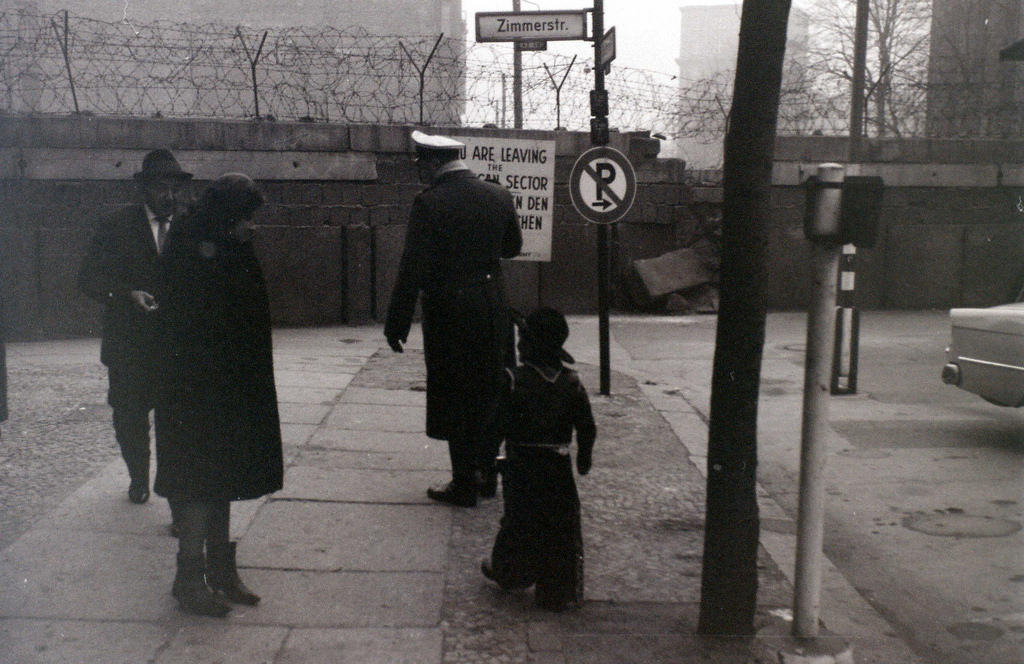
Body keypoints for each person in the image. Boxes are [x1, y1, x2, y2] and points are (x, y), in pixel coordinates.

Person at [153, 173, 283, 617]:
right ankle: (188, 578)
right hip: (195, 389)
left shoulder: (228, 242)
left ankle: (221, 572)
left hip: (228, 386)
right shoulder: (191, 247)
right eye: (246, 218)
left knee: (221, 477)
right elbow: (190, 322)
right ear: (228, 214)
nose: (251, 226)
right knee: (197, 484)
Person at [385, 130, 523, 508]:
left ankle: (463, 482)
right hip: (494, 304)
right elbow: (512, 247)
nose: (417, 171)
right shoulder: (498, 195)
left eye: (419, 164)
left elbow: (411, 267)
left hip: (450, 310)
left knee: (455, 391)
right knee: (493, 387)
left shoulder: (430, 202)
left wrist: (396, 323)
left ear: (434, 162)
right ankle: (487, 475)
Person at [78, 149, 192, 505]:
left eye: (175, 188)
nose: (169, 196)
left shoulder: (190, 228)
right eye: (161, 187)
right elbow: (88, 278)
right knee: (130, 420)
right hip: (129, 346)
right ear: (144, 189)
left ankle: (177, 498)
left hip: (176, 348)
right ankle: (138, 478)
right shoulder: (117, 226)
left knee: (178, 426)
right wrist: (127, 294)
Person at [480, 307, 596, 612]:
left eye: (522, 341)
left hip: (521, 464)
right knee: (560, 525)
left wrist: (488, 459)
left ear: (531, 346)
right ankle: (557, 589)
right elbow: (587, 426)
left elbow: (496, 423)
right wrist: (583, 457)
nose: (517, 347)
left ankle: (511, 572)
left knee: (518, 520)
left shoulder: (514, 381)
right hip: (557, 466)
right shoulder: (572, 383)